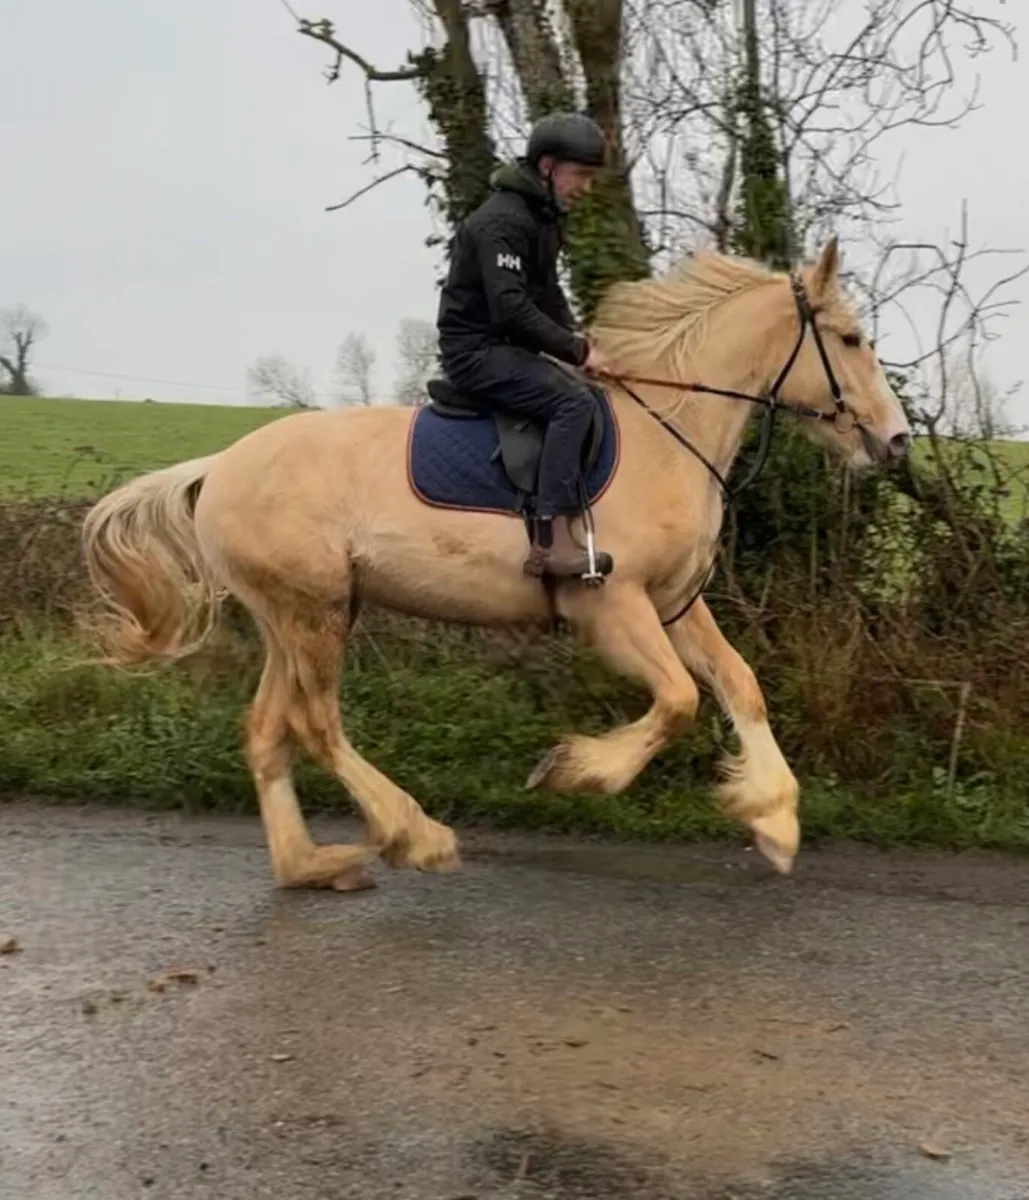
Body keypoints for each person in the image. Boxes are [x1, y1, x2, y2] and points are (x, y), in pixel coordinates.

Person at [435, 112, 616, 579]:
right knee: (573, 403)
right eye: (580, 175)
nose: (585, 188)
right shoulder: (502, 221)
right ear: (548, 166)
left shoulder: (540, 219)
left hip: (505, 348)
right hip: (474, 351)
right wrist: (574, 353)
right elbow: (511, 310)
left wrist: (582, 344)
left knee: (585, 392)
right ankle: (550, 544)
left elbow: (549, 296)